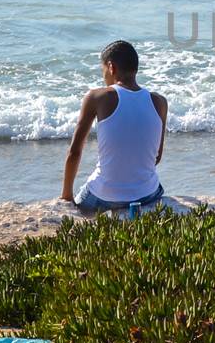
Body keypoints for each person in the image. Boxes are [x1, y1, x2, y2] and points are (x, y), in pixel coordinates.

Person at [60, 40, 169, 216]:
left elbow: (74, 152)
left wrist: (66, 196)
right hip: (147, 194)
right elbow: (156, 156)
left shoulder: (96, 97)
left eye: (103, 70)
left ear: (111, 67)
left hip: (104, 195)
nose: (103, 76)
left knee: (85, 197)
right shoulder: (159, 102)